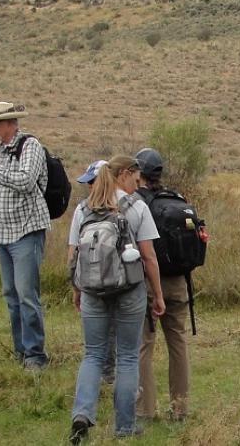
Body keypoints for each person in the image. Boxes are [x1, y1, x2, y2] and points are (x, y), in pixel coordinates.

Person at [68, 155, 166, 443]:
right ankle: (124, 426)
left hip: (92, 290)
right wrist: (157, 294)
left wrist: (77, 289)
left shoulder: (84, 208)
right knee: (127, 356)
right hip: (129, 290)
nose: (137, 184)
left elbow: (74, 255)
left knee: (93, 354)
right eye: (136, 178)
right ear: (124, 174)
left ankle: (82, 414)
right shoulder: (136, 207)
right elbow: (148, 256)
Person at [0, 102, 51, 369]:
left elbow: (25, 181)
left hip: (27, 229)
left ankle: (35, 355)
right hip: (4, 233)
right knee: (11, 295)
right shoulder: (1, 151)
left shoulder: (30, 146)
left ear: (9, 123)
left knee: (27, 294)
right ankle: (22, 351)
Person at [133, 147, 192, 421]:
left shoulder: (135, 203)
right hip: (179, 282)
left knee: (144, 345)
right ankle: (180, 409)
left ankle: (144, 410)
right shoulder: (176, 199)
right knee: (178, 341)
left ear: (139, 172)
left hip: (147, 281)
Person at [68, 160, 116, 383]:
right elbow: (73, 249)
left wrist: (75, 284)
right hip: (112, 280)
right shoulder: (128, 205)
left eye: (92, 182)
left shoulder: (82, 210)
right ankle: (108, 372)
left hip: (92, 280)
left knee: (99, 334)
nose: (89, 186)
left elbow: (74, 250)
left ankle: (104, 373)